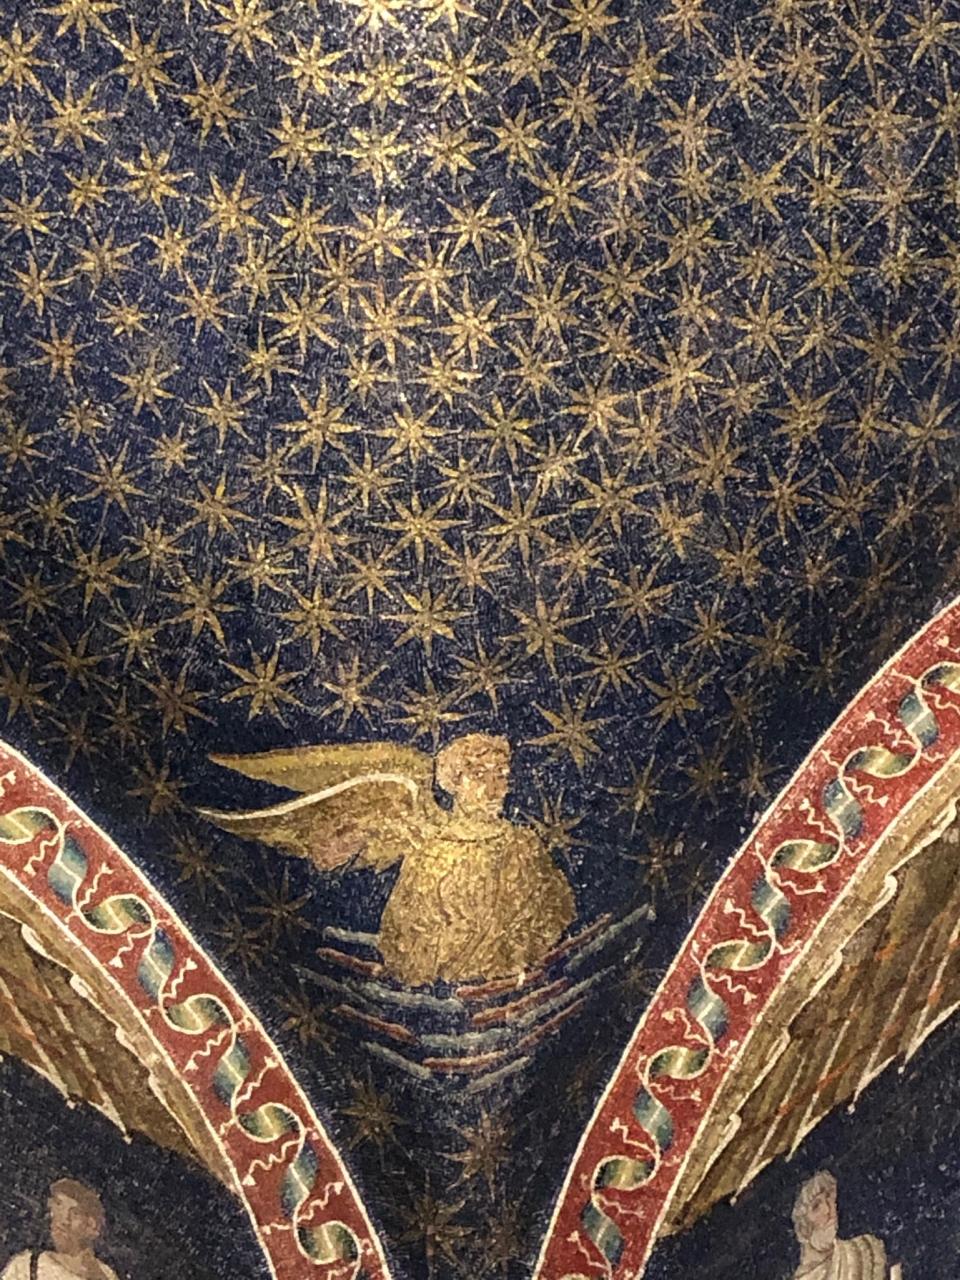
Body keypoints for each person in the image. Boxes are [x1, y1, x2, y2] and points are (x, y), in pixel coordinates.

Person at [1, 1179, 119, 1280]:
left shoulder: (106, 1275)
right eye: (59, 1207)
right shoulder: (25, 1267)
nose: (64, 1220)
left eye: (75, 1213)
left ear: (92, 1224)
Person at [791, 1171, 890, 1280]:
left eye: (828, 1197)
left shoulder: (866, 1252)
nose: (828, 1210)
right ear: (802, 1227)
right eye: (816, 1206)